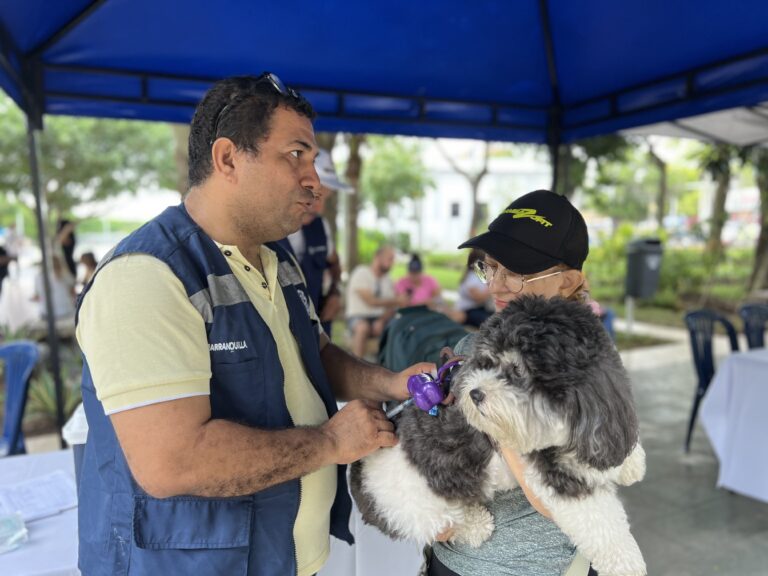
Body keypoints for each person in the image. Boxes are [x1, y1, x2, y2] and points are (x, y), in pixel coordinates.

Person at [75, 73, 433, 576]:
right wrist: (330, 442)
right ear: (227, 160)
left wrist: (391, 382)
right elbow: (172, 461)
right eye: (295, 155)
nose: (313, 179)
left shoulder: (275, 258)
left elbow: (315, 353)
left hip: (276, 557)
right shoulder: (147, 275)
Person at [428, 190, 599, 576]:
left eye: (518, 273)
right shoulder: (469, 346)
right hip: (450, 560)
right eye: (489, 268)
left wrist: (493, 407)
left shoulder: (586, 368)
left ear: (568, 281)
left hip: (533, 568)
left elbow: (568, 500)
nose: (496, 286)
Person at [278, 149, 346, 337]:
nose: (319, 207)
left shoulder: (320, 226)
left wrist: (335, 293)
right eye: (315, 196)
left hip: (316, 333)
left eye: (325, 198)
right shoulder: (265, 228)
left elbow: (334, 262)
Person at [345, 245, 407, 357]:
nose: (392, 262)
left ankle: (388, 367)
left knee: (399, 326)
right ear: (377, 257)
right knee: (362, 328)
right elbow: (371, 301)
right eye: (390, 258)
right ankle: (357, 366)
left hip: (379, 318)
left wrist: (382, 320)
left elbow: (392, 307)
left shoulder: (387, 279)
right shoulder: (361, 272)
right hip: (358, 316)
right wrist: (397, 300)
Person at [445, 248, 492, 327]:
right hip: (467, 311)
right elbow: (478, 298)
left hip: (477, 309)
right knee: (491, 324)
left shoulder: (475, 275)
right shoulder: (472, 277)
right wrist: (492, 284)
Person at [33, 253, 75, 320]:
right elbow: (73, 293)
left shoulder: (38, 277)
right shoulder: (66, 275)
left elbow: (37, 296)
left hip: (46, 313)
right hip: (66, 311)